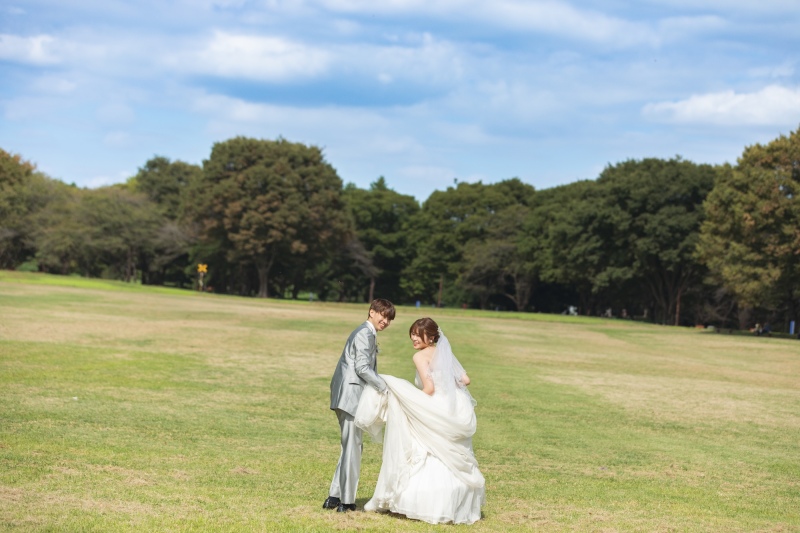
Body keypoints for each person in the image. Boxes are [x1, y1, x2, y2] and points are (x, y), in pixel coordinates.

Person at [355, 317, 485, 525]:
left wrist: (410, 402)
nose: (414, 338)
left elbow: (429, 388)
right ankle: (453, 504)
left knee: (424, 449)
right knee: (445, 452)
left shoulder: (419, 356)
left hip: (435, 405)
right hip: (453, 407)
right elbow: (466, 380)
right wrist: (448, 388)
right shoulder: (443, 353)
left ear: (431, 337)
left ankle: (420, 503)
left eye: (418, 334)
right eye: (412, 334)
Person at [323, 298, 396, 513]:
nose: (385, 321)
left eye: (389, 319)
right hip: (350, 397)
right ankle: (346, 502)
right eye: (383, 315)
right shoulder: (365, 333)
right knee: (353, 447)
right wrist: (385, 388)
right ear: (372, 312)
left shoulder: (366, 332)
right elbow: (362, 368)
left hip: (347, 395)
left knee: (350, 446)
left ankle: (334, 497)